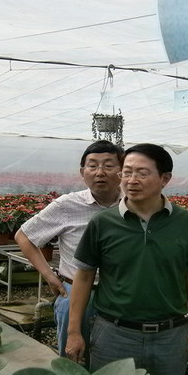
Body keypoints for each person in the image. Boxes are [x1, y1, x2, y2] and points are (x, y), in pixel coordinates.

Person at [66, 143, 188, 375]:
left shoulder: (186, 223)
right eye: (127, 172)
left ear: (164, 179)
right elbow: (84, 277)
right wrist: (74, 331)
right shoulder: (103, 223)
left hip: (170, 338)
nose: (131, 180)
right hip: (114, 336)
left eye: (142, 173)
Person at [15, 140, 123, 359]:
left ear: (122, 171)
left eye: (108, 165)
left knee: (113, 360)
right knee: (73, 359)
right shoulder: (67, 205)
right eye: (92, 166)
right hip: (75, 292)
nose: (100, 172)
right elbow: (24, 236)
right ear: (82, 172)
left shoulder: (132, 204)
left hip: (120, 293)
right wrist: (49, 276)